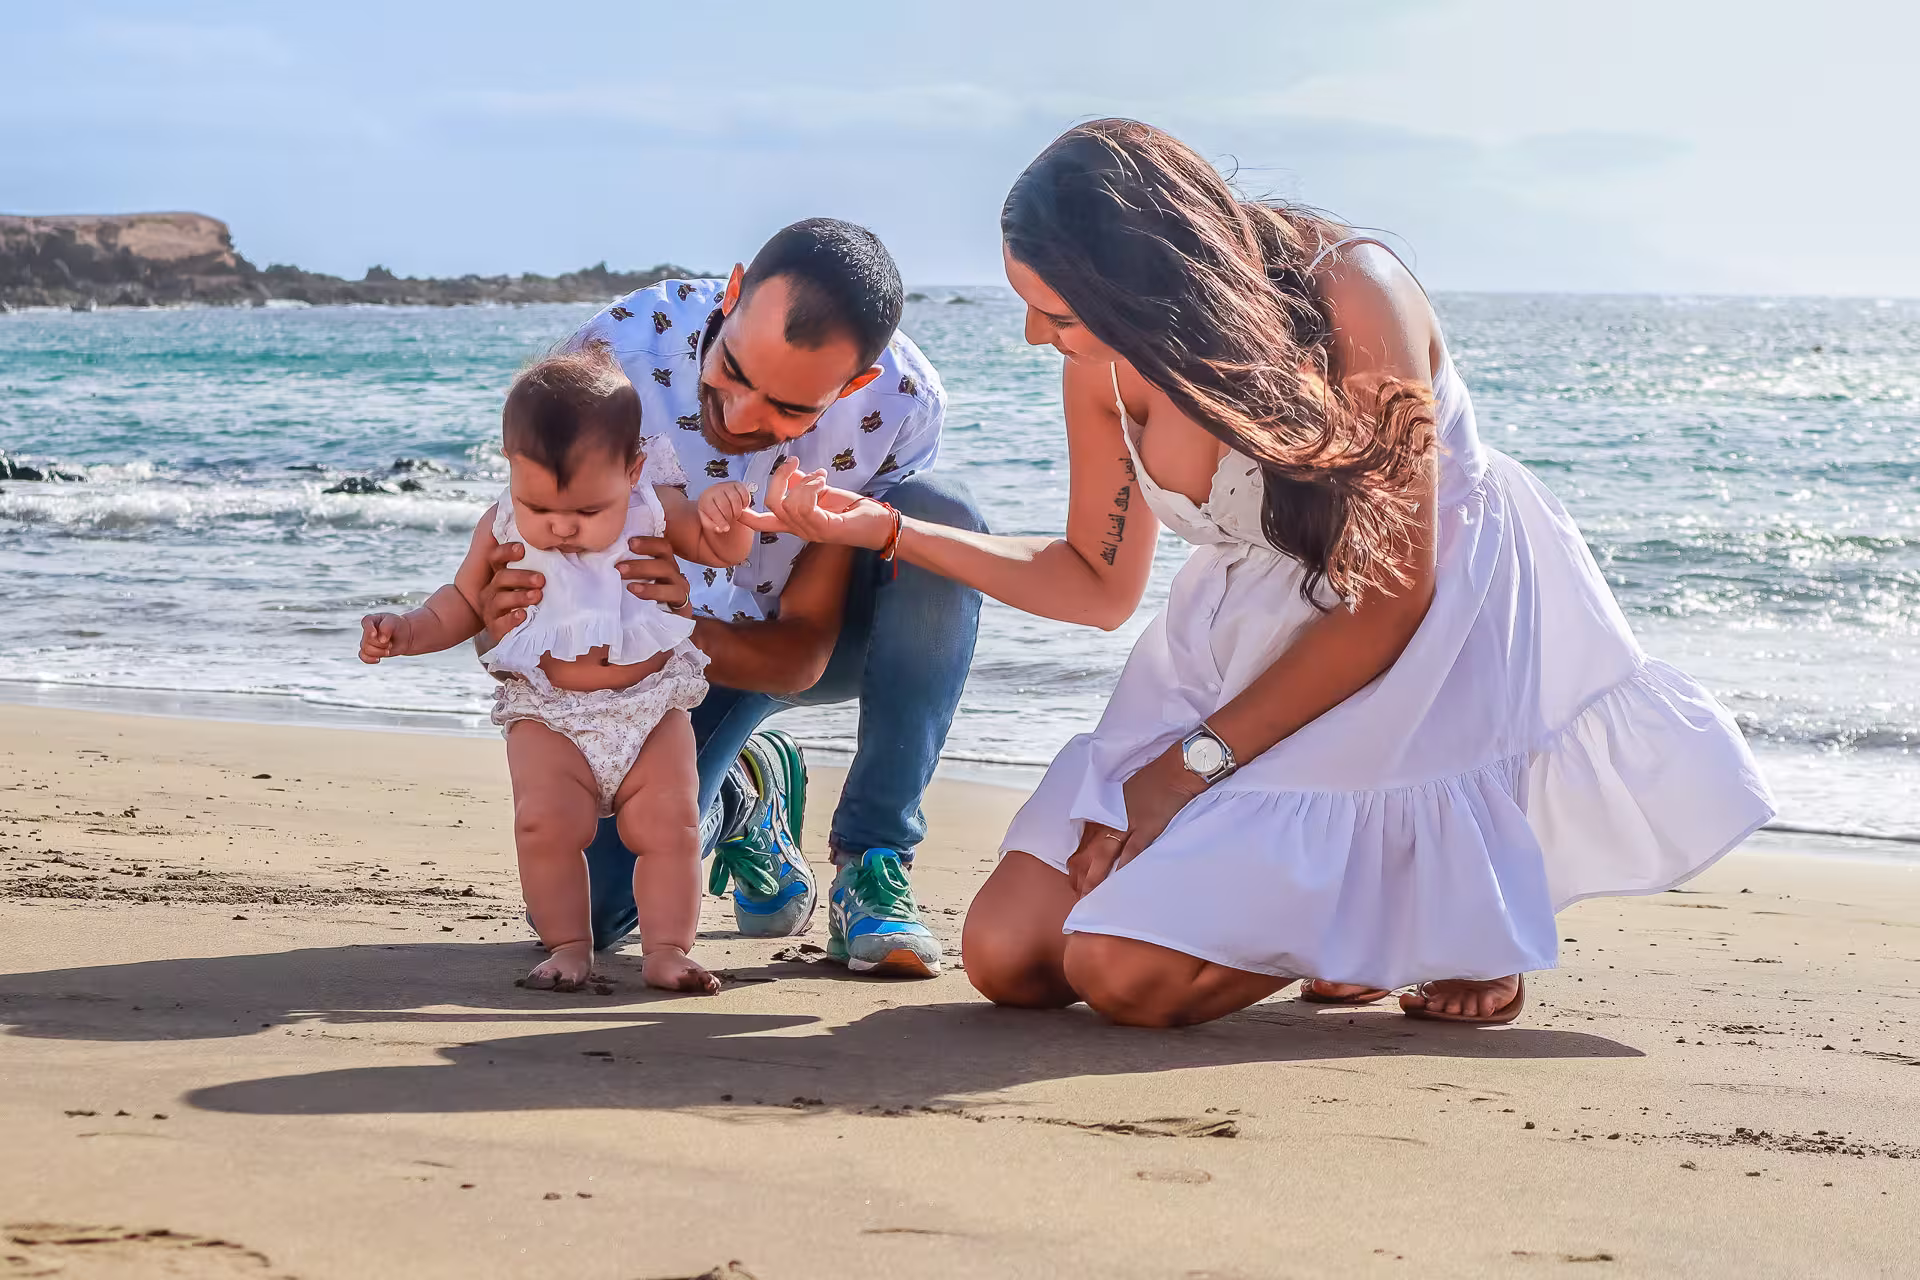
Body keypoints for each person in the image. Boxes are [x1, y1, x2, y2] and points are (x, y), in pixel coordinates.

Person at [739, 119, 1776, 1027]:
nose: (1032, 335)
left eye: (1054, 311)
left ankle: (1401, 915)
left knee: (1122, 974)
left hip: (1414, 644)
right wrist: (883, 529)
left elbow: (1389, 601)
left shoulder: (1352, 294)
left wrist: (1186, 770)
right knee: (1009, 954)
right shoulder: (1103, 368)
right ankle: (1345, 914)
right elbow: (1093, 584)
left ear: (1141, 285)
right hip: (1234, 639)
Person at [477, 218, 984, 978]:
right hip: (659, 673)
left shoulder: (900, 408)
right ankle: (749, 793)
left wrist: (661, 620)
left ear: (852, 388)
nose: (744, 418)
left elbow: (802, 652)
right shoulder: (616, 355)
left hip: (804, 644)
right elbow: (515, 587)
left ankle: (873, 865)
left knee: (944, 520)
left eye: (790, 408)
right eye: (734, 371)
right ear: (735, 291)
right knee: (591, 915)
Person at [360, 344, 755, 994]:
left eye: (585, 513)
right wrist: (407, 630)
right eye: (541, 508)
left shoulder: (653, 509)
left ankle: (668, 950)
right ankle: (569, 946)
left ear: (631, 471)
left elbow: (721, 550)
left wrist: (728, 517)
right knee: (544, 825)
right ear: (512, 469)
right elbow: (461, 602)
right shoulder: (503, 524)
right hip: (549, 712)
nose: (561, 527)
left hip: (649, 707)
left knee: (671, 826)